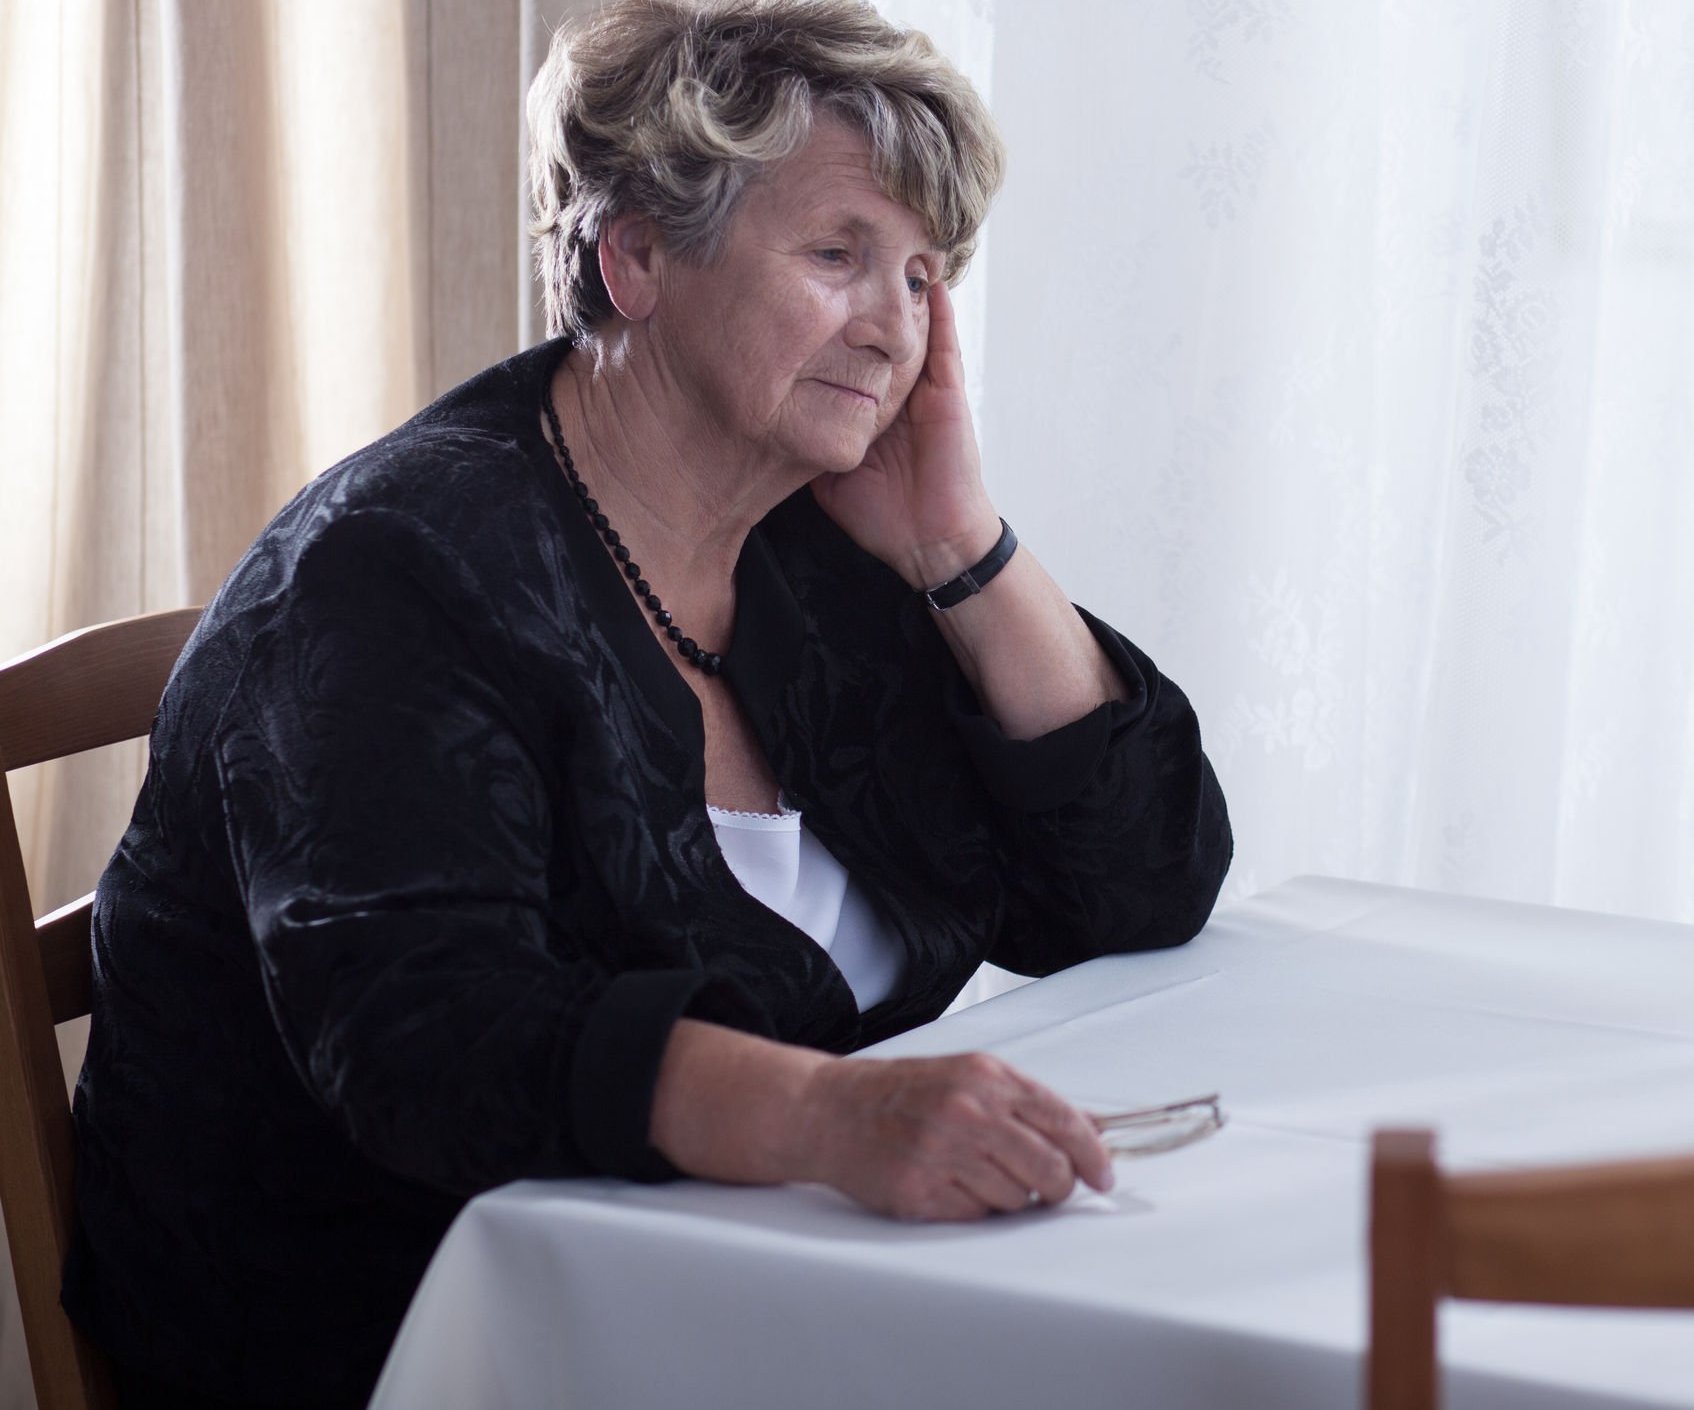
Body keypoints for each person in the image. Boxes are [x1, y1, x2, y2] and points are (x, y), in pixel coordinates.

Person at [61, 3, 1231, 1406]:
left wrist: (958, 543)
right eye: (838, 255)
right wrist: (831, 1114)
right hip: (411, 1332)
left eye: (923, 276)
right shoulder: (390, 573)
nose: (897, 327)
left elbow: (1138, 885)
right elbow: (428, 1038)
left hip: (770, 1293)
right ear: (635, 260)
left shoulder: (816, 541)